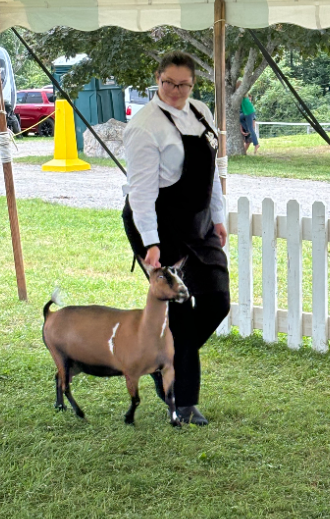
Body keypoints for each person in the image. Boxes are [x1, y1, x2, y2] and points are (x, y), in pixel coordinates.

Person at [122, 51, 231, 426]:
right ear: (157, 79)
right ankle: (184, 402)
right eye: (168, 82)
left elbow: (211, 174)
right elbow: (140, 193)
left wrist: (217, 216)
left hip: (199, 227)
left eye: (183, 84)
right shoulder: (145, 126)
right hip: (159, 228)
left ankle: (163, 362)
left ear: (193, 85)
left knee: (217, 300)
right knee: (181, 315)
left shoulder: (201, 112)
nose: (174, 90)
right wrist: (151, 243)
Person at [238, 81, 259, 155]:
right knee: (240, 119)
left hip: (249, 112)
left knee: (250, 129)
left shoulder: (242, 95)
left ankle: (256, 144)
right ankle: (247, 131)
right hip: (247, 112)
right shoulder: (242, 95)